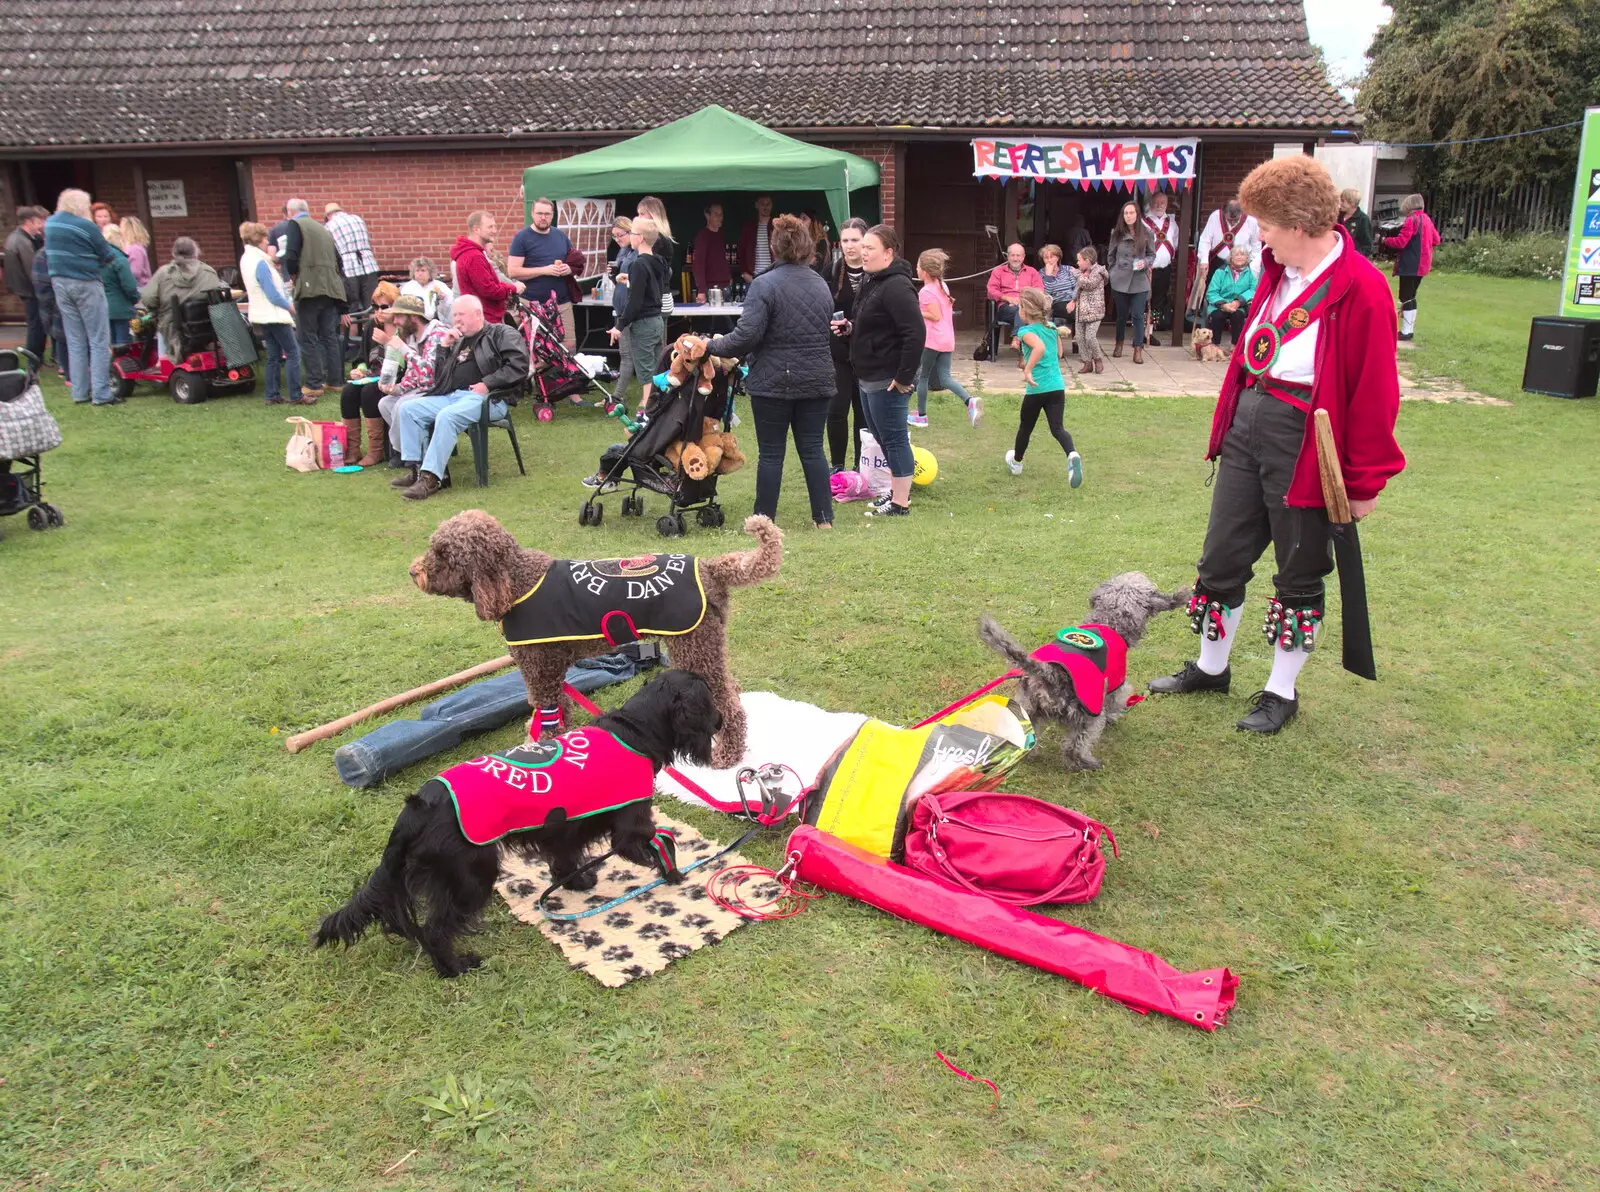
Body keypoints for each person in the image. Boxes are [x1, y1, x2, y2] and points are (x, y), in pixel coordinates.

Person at [1148, 155, 1405, 734]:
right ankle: (1212, 669)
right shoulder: (1274, 270)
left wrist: (1363, 483)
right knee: (1221, 556)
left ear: (1296, 224)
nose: (1257, 232)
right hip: (1250, 418)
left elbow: (1375, 394)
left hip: (1308, 436)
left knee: (1299, 568)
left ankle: (1279, 691)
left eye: (1264, 222)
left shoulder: (1362, 288)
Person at [699, 215, 837, 529]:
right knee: (813, 450)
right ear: (805, 247)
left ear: (774, 248)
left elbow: (745, 337)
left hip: (773, 380)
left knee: (772, 454)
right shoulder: (820, 283)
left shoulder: (764, 284)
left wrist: (709, 345)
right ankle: (824, 519)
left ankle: (764, 520)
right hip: (817, 378)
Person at [392, 294, 531, 500]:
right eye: (454, 315)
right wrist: (444, 348)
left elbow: (519, 366)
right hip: (453, 396)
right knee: (408, 409)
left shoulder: (501, 333)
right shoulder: (458, 341)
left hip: (488, 399)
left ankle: (431, 478)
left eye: (461, 314)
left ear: (477, 314)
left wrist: (488, 383)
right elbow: (438, 378)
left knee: (447, 416)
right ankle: (419, 469)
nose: (456, 319)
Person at [848, 223, 925, 518]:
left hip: (889, 377)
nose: (862, 253)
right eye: (862, 247)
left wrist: (904, 376)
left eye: (869, 248)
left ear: (888, 253)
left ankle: (901, 503)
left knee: (894, 439)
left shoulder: (896, 285)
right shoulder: (875, 281)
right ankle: (895, 493)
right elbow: (877, 323)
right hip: (868, 374)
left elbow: (915, 333)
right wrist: (851, 328)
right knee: (882, 438)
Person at [44, 188, 119, 406]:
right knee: (98, 339)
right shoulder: (86, 226)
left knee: (75, 339)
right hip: (85, 283)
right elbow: (107, 255)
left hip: (59, 282)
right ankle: (101, 393)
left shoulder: (50, 224)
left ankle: (79, 392)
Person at [1004, 287, 1083, 487]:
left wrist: (1028, 369)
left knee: (1026, 427)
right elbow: (1059, 354)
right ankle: (1072, 454)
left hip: (1037, 389)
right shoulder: (1051, 327)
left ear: (1024, 311)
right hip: (1057, 387)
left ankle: (1017, 463)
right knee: (1057, 428)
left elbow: (1038, 347)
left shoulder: (1025, 331)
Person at [376, 294, 455, 463]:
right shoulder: (413, 336)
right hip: (424, 388)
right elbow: (413, 373)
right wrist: (397, 388)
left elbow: (428, 373)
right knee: (385, 403)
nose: (394, 321)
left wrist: (404, 349)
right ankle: (413, 450)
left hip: (441, 389)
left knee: (401, 405)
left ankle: (414, 457)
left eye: (398, 316)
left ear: (413, 317)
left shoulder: (437, 333)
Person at [280, 196, 346, 401]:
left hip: (309, 288)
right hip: (331, 288)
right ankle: (335, 381)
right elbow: (339, 260)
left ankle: (314, 383)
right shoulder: (323, 229)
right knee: (329, 336)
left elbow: (291, 255)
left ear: (290, 212)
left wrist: (293, 275)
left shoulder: (295, 224)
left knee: (307, 337)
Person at [912, 248, 980, 428]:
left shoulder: (926, 291)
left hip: (932, 341)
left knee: (923, 377)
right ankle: (969, 401)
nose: (916, 269)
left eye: (918, 266)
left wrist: (915, 310)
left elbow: (934, 315)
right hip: (947, 339)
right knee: (945, 378)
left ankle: (921, 416)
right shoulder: (942, 285)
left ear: (925, 271)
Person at [607, 217, 669, 411]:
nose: (630, 236)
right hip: (657, 321)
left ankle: (647, 409)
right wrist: (630, 281)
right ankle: (662, 405)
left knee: (646, 370)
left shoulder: (638, 265)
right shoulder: (658, 261)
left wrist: (619, 326)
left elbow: (635, 302)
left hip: (643, 324)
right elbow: (651, 290)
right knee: (658, 367)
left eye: (632, 232)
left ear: (640, 238)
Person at [238, 220, 302, 406]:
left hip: (260, 314)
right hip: (273, 314)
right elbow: (272, 294)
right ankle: (296, 395)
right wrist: (290, 308)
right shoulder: (260, 262)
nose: (268, 242)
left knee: (273, 355)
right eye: (265, 238)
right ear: (257, 239)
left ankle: (272, 394)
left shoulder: (246, 259)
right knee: (293, 352)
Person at [139, 236, 225, 366]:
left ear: (174, 253)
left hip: (171, 327)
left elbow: (148, 299)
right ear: (195, 252)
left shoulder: (163, 273)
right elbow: (217, 298)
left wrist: (156, 308)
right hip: (207, 326)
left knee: (160, 319)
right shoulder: (209, 272)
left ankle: (162, 361)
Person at [825, 217, 869, 472]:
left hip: (866, 354)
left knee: (864, 414)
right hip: (837, 354)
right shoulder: (830, 271)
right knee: (836, 410)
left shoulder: (874, 271)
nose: (850, 246)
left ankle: (862, 465)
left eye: (855, 240)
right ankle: (838, 466)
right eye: (845, 241)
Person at [508, 196, 575, 350]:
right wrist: (545, 270)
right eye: (539, 213)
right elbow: (513, 271)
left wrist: (569, 269)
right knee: (536, 350)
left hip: (561, 303)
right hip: (532, 303)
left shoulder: (560, 236)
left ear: (552, 215)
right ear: (532, 213)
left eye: (547, 214)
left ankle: (565, 375)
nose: (543, 218)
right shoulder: (522, 238)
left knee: (569, 347)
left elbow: (575, 262)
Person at [1382, 193, 1441, 342]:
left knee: (1406, 297)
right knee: (1412, 296)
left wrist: (1385, 240)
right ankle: (1409, 329)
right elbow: (1436, 239)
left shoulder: (1411, 220)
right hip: (1422, 264)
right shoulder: (1426, 219)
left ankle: (1406, 331)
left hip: (1410, 264)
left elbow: (1401, 242)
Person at [324, 201, 380, 354]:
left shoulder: (329, 226)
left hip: (348, 269)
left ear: (328, 216)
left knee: (351, 309)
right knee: (373, 306)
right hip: (368, 265)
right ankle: (374, 343)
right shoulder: (357, 219)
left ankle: (353, 347)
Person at [452, 210, 520, 327]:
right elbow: (489, 289)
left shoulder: (473, 253)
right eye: (490, 227)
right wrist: (513, 288)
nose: (494, 230)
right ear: (476, 229)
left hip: (482, 319)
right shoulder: (473, 256)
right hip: (484, 322)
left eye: (494, 226)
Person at [1108, 201, 1155, 363]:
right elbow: (1110, 256)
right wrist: (1113, 272)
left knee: (1137, 315)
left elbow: (1152, 255)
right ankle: (1119, 342)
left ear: (1137, 214)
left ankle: (1138, 348)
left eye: (1132, 213)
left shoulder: (1147, 233)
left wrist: (1145, 262)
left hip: (1139, 280)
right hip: (1120, 279)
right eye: (1126, 213)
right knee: (1121, 315)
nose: (1129, 216)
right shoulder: (1117, 233)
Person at [5, 205, 47, 363]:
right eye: (38, 222)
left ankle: (37, 356)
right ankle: (34, 357)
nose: (41, 226)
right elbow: (32, 270)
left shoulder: (17, 238)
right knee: (36, 325)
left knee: (36, 324)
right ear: (29, 222)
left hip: (25, 289)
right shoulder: (22, 241)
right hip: (30, 291)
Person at [606, 217, 640, 399]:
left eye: (620, 235)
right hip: (621, 308)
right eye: (614, 236)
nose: (617, 239)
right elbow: (619, 279)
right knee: (627, 354)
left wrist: (626, 277)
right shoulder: (622, 252)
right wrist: (613, 276)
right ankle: (620, 395)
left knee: (631, 355)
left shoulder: (639, 252)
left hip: (632, 309)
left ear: (630, 231)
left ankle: (618, 396)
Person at [1141, 191, 1180, 346]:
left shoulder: (1172, 223)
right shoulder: (1143, 222)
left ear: (1166, 204)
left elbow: (1175, 243)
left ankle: (1149, 332)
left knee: (1157, 302)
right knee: (1144, 301)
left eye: (1162, 203)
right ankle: (1140, 332)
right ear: (1150, 203)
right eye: (1156, 202)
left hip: (1164, 268)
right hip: (1148, 269)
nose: (1159, 206)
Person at [1204, 245, 1258, 347]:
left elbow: (1253, 289)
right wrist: (1224, 304)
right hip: (1219, 305)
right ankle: (1215, 346)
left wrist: (1238, 301)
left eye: (1242, 254)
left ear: (1247, 258)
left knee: (1238, 316)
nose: (1239, 257)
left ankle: (1235, 347)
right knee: (1217, 316)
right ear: (1231, 258)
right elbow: (1212, 292)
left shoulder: (1251, 272)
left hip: (1240, 306)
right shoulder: (1220, 272)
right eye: (1236, 254)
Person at [985, 242, 1043, 336]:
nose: (1015, 259)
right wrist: (1008, 298)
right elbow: (991, 292)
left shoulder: (1032, 272)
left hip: (1028, 306)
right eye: (1013, 255)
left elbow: (1039, 291)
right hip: (1006, 307)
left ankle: (1017, 338)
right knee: (1021, 312)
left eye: (1018, 255)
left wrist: (1024, 301)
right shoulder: (998, 271)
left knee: (1031, 312)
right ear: (1008, 257)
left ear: (1023, 257)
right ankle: (1020, 338)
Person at [1197, 198, 1262, 279]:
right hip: (1217, 263)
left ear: (1241, 213)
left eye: (1235, 220)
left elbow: (1256, 246)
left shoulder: (1251, 221)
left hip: (1242, 267)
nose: (1232, 222)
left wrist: (1251, 267)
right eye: (1229, 220)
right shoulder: (1215, 216)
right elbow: (1205, 240)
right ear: (1224, 212)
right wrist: (1204, 260)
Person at [98, 225, 141, 347]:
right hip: (120, 307)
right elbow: (129, 285)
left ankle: (110, 365)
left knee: (107, 344)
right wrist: (136, 298)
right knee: (123, 345)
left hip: (101, 306)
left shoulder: (96, 257)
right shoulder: (119, 258)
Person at [1071, 246, 1109, 375]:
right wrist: (1073, 301)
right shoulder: (1083, 273)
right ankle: (1087, 362)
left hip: (1094, 311)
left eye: (1079, 260)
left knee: (1090, 337)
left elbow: (1089, 284)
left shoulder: (1098, 272)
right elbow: (1078, 289)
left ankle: (1098, 359)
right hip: (1081, 311)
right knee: (1080, 337)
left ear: (1087, 260)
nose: (1077, 263)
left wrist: (1079, 275)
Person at [32, 243, 66, 381]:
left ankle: (64, 365)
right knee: (60, 335)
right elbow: (41, 285)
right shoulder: (44, 255)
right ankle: (63, 367)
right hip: (53, 302)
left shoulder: (60, 251)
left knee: (62, 336)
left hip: (61, 300)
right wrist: (54, 303)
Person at [1039, 243, 1079, 354]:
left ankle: (1081, 339)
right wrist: (1048, 276)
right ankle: (1079, 338)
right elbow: (1046, 294)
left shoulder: (1068, 270)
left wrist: (1074, 300)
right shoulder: (1041, 274)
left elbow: (1077, 287)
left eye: (1052, 257)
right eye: (1046, 258)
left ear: (1058, 257)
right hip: (1056, 303)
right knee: (1080, 313)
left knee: (1085, 311)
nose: (1049, 260)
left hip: (1073, 301)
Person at [692, 203, 733, 302]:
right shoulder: (703, 236)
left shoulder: (721, 235)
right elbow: (699, 265)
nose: (719, 217)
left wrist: (729, 277)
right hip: (712, 289)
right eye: (716, 214)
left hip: (726, 287)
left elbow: (722, 259)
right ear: (707, 215)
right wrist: (701, 290)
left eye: (721, 214)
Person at [400, 256, 453, 323]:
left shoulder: (440, 286)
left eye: (423, 270)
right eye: (417, 271)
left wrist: (442, 299)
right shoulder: (408, 287)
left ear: (430, 272)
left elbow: (450, 306)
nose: (420, 274)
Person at [737, 194, 775, 282]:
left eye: (768, 204)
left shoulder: (777, 226)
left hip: (774, 277)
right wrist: (744, 273)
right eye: (763, 204)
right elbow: (741, 252)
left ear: (772, 205)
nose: (766, 207)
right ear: (756, 205)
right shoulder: (749, 227)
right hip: (754, 278)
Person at [1338, 189, 1374, 259]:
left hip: (1351, 259)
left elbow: (1367, 246)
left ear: (1352, 203)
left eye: (1343, 201)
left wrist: (1353, 256)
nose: (1340, 203)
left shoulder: (1363, 219)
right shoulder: (1337, 215)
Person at [119, 216, 152, 286]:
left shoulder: (135, 249)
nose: (120, 231)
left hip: (139, 288)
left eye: (121, 227)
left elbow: (135, 272)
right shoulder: (132, 248)